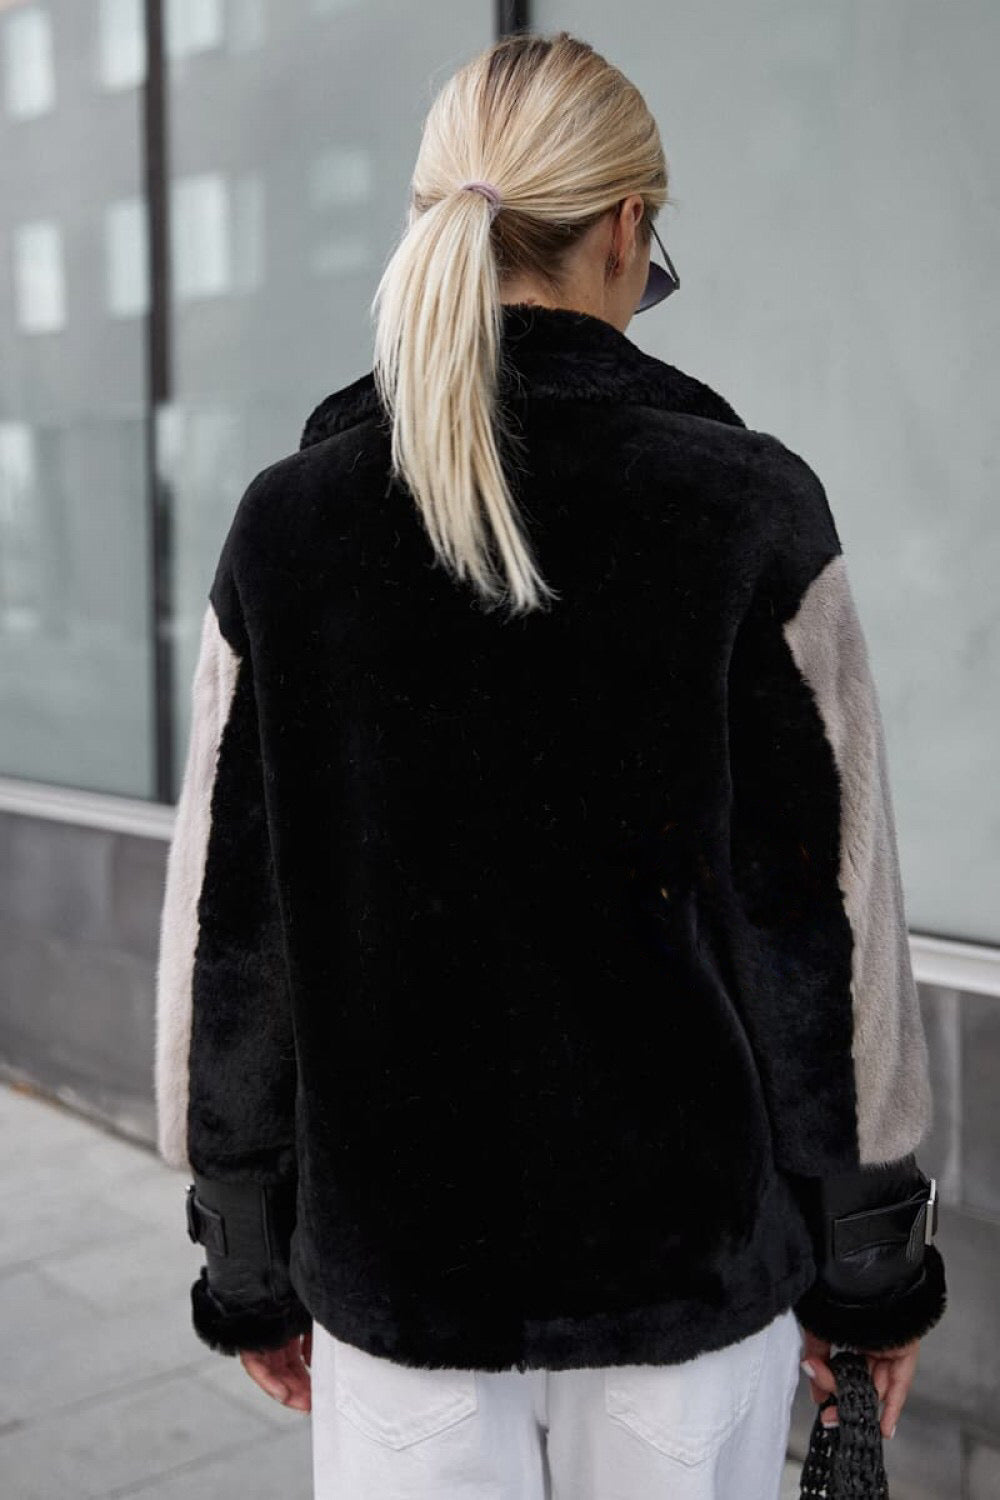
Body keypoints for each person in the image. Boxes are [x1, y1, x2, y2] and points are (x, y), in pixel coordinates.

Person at [154, 29, 946, 1500]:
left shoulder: (288, 531)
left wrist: (247, 1244)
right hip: (684, 1296)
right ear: (629, 231)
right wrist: (870, 1264)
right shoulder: (748, 511)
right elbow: (829, 944)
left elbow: (228, 935)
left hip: (401, 1295)